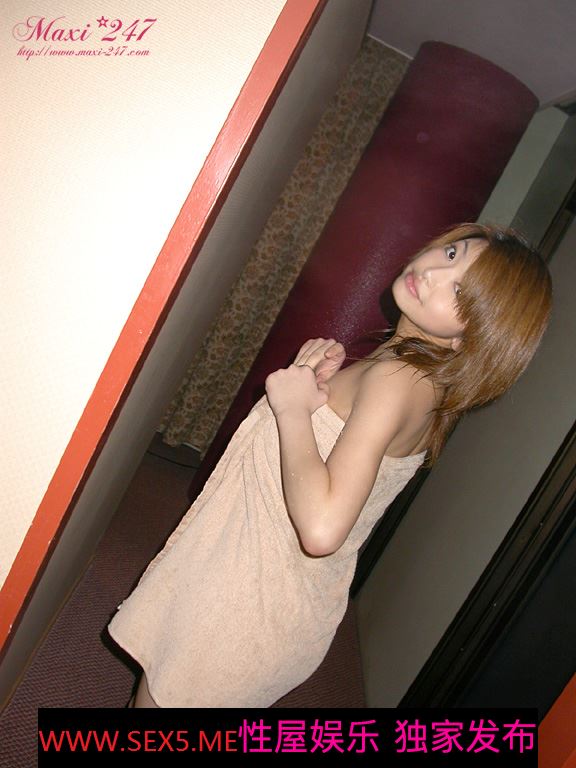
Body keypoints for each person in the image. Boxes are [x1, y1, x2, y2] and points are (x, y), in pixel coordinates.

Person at [107, 222, 552, 708]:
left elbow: (322, 528)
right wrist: (315, 391)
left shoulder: (397, 378)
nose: (433, 273)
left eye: (461, 290)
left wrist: (294, 409)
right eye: (451, 254)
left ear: (472, 339)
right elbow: (335, 461)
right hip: (259, 583)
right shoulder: (413, 375)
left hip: (251, 600)